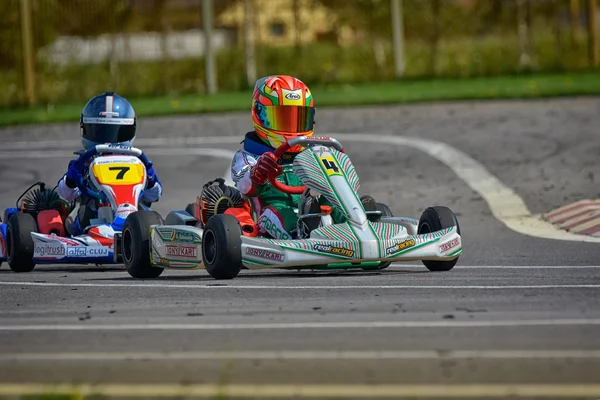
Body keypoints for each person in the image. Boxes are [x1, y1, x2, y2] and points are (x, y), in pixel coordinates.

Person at [230, 75, 347, 240]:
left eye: (298, 119)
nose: (291, 128)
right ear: (259, 114)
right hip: (269, 214)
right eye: (282, 118)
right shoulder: (247, 156)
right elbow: (245, 185)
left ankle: (360, 226)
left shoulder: (312, 153)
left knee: (335, 203)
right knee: (281, 212)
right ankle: (300, 236)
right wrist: (258, 172)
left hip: (310, 205)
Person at [57, 92, 162, 235]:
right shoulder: (85, 162)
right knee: (82, 213)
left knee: (148, 212)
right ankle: (95, 233)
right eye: (101, 133)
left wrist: (150, 179)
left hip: (135, 222)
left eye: (115, 133)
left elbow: (153, 196)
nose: (108, 142)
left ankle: (134, 229)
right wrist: (71, 179)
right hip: (94, 218)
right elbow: (66, 194)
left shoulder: (137, 162)